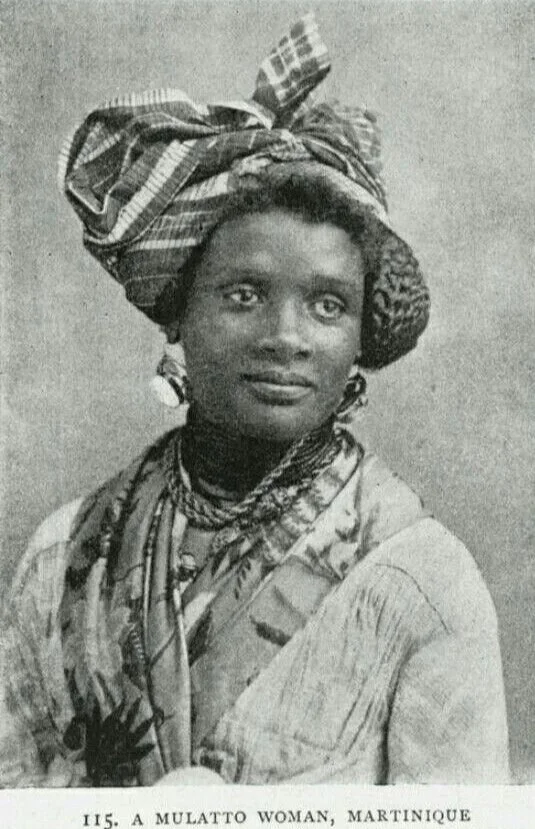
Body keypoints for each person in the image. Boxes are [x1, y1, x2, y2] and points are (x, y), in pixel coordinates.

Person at [0, 15, 509, 787]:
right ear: (176, 310)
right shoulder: (64, 556)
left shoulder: (417, 580)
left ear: (359, 337)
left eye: (328, 305)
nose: (287, 336)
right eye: (243, 294)